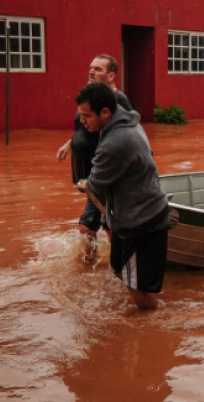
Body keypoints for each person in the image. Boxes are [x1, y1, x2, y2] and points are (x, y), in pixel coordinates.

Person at [76, 82, 169, 310]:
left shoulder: (115, 143)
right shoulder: (128, 121)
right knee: (118, 268)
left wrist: (86, 182)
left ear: (105, 112)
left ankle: (154, 325)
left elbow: (96, 183)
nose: (82, 121)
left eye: (86, 115)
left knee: (138, 293)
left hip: (141, 222)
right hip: (131, 215)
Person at [55, 55, 136, 246]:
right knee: (108, 220)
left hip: (105, 171)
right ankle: (113, 261)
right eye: (91, 67)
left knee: (87, 227)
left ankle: (89, 270)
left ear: (111, 76)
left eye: (97, 69)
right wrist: (70, 144)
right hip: (91, 170)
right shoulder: (92, 97)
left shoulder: (118, 101)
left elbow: (127, 134)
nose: (91, 71)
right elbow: (85, 126)